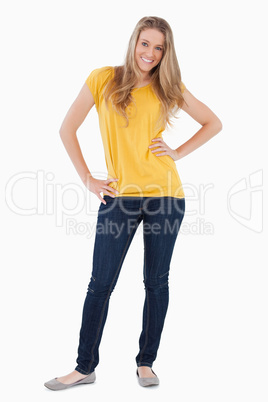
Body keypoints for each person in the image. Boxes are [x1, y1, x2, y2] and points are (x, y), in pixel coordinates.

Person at [44, 16, 222, 390]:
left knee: (156, 283)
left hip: (165, 197)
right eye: (146, 44)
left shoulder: (169, 86)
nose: (151, 54)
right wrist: (88, 179)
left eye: (159, 48)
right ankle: (84, 366)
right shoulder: (103, 78)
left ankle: (146, 363)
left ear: (165, 52)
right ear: (134, 42)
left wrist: (176, 152)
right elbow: (66, 128)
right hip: (119, 197)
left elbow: (212, 122)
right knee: (100, 284)